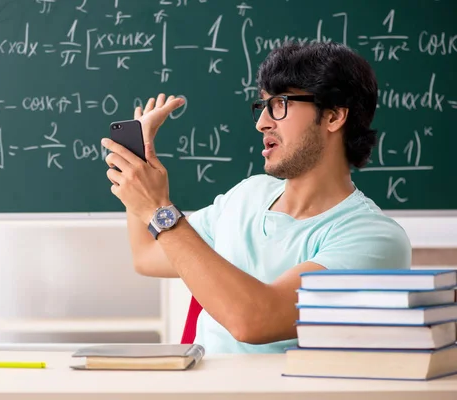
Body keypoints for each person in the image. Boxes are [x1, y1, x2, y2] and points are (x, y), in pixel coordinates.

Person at [101, 41, 412, 354]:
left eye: (280, 104)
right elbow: (147, 256)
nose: (262, 122)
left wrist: (160, 209)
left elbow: (254, 321)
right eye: (262, 106)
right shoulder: (248, 195)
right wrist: (137, 161)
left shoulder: (375, 240)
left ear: (333, 117)